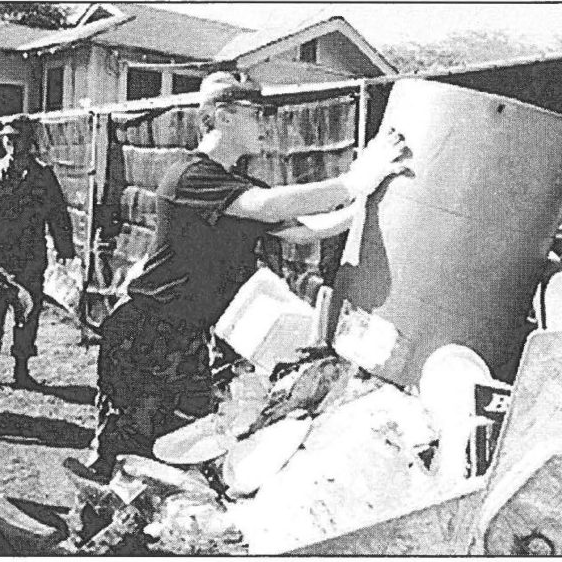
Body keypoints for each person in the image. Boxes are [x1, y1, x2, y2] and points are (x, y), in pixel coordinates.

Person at [89, 71, 411, 478]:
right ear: (222, 117)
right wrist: (353, 181)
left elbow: (304, 230)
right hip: (145, 334)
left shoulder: (237, 185)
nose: (266, 124)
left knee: (176, 452)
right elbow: (266, 207)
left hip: (187, 339)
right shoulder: (190, 175)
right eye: (256, 114)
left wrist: (371, 197)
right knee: (122, 454)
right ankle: (88, 532)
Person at [0, 115, 75, 388]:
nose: (11, 143)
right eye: (7, 138)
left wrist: (64, 247)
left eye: (17, 137)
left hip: (31, 260)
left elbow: (57, 214)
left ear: (29, 141)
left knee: (28, 317)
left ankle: (22, 370)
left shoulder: (43, 176)